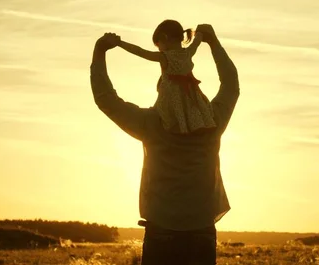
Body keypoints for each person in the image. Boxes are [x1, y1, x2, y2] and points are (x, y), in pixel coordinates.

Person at [90, 23, 239, 265]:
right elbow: (231, 84)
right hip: (202, 230)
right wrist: (213, 42)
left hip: (161, 231)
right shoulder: (213, 121)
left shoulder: (150, 124)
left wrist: (100, 52)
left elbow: (105, 99)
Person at [115, 20, 216, 134]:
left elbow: (140, 51)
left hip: (171, 98)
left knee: (167, 118)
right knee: (189, 115)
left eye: (158, 45)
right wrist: (199, 34)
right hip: (190, 97)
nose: (159, 49)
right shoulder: (188, 52)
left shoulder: (164, 57)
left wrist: (120, 43)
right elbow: (196, 42)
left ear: (164, 38)